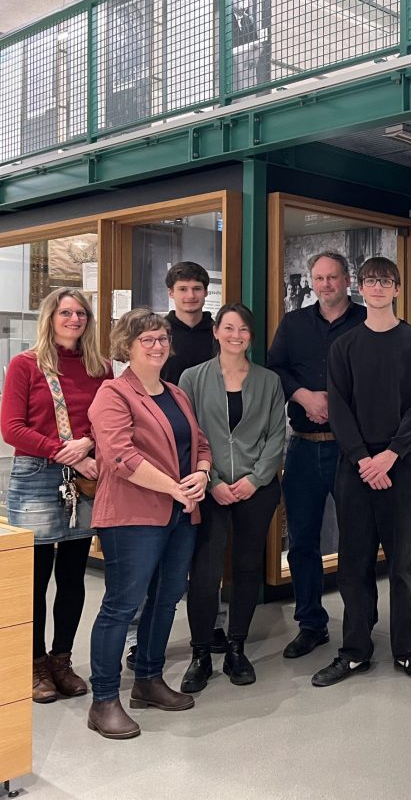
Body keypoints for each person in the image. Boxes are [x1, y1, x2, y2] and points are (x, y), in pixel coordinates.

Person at [311, 257, 411, 687]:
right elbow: (339, 407)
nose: (378, 288)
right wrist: (364, 459)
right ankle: (354, 652)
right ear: (360, 288)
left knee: (402, 564)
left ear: (397, 289)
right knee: (354, 563)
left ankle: (407, 650)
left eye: (386, 282)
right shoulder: (344, 346)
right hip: (356, 469)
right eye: (371, 281)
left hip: (402, 468)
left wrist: (391, 455)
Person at [86, 309, 212, 740]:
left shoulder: (176, 393)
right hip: (132, 516)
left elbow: (201, 443)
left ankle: (148, 679)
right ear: (127, 346)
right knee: (122, 605)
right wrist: (175, 488)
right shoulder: (112, 394)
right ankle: (104, 701)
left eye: (162, 338)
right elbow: (121, 457)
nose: (158, 346)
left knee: (165, 599)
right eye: (147, 340)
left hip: (181, 514)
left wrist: (202, 474)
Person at [1, 288, 110, 704]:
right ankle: (33, 664)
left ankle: (61, 660)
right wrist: (64, 451)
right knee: (34, 577)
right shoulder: (25, 365)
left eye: (81, 313)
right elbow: (12, 428)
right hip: (37, 475)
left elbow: (108, 419)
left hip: (84, 478)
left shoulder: (99, 367)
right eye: (66, 312)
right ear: (50, 317)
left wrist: (87, 445)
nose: (74, 319)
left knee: (72, 575)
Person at [179, 304, 285, 691]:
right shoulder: (192, 378)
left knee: (247, 568)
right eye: (228, 328)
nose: (235, 335)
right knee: (205, 573)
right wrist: (213, 482)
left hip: (257, 491)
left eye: (242, 329)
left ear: (251, 336)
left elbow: (276, 435)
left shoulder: (269, 381)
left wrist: (255, 479)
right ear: (216, 332)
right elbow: (189, 434)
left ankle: (237, 648)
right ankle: (200, 654)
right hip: (208, 489)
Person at [126, 261, 225, 666]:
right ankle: (141, 637)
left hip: (204, 451)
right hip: (158, 452)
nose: (190, 295)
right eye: (183, 288)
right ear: (171, 293)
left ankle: (208, 623)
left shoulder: (218, 333)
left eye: (197, 288)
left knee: (205, 550)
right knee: (152, 552)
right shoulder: (158, 332)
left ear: (205, 292)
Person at [267, 251, 366, 658]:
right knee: (303, 541)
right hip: (304, 448)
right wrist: (303, 396)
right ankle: (311, 624)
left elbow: (377, 379)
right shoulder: (293, 324)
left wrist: (337, 404)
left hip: (351, 451)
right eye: (319, 278)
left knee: (357, 541)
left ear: (347, 280)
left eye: (333, 277)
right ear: (312, 282)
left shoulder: (366, 322)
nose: (326, 284)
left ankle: (359, 628)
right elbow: (275, 369)